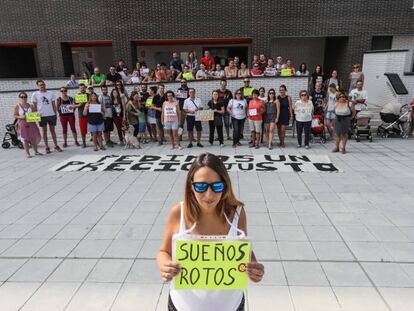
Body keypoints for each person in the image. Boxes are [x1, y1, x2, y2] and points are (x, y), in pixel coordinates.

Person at [157, 153, 265, 311]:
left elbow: (244, 250)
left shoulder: (237, 213)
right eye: (201, 187)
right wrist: (164, 265)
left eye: (217, 187)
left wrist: (253, 267)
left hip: (231, 305)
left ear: (225, 186)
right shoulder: (178, 212)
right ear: (191, 186)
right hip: (182, 306)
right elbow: (163, 251)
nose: (209, 195)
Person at [31, 80, 62, 153]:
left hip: (51, 115)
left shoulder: (51, 93)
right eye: (40, 85)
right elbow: (34, 106)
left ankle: (56, 145)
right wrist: (34, 116)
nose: (42, 86)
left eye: (43, 84)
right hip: (42, 116)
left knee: (52, 130)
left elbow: (53, 105)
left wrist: (55, 114)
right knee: (44, 131)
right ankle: (47, 147)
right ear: (38, 86)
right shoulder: (35, 94)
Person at [13, 92, 42, 158]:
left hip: (32, 123)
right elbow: (14, 115)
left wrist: (38, 115)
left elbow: (35, 113)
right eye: (22, 97)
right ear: (20, 98)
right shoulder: (17, 106)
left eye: (25, 97)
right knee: (25, 138)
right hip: (22, 124)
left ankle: (36, 152)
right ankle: (27, 153)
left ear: (27, 97)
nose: (23, 98)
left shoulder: (31, 106)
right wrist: (21, 117)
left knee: (33, 138)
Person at [73, 83, 89, 148]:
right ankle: (84, 142)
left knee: (92, 129)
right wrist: (80, 104)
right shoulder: (77, 96)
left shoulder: (89, 95)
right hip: (81, 116)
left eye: (83, 88)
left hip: (90, 115)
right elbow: (74, 106)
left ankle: (96, 141)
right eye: (81, 88)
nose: (82, 89)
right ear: (79, 89)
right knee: (83, 130)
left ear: (85, 88)